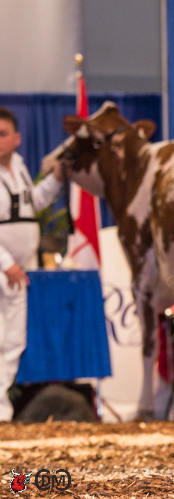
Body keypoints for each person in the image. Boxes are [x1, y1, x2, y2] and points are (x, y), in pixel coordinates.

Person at [0, 107, 67, 421]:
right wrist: (6, 263)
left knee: (14, 341)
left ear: (17, 138)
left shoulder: (20, 168)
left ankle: (2, 409)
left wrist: (55, 180)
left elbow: (34, 203)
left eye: (3, 134)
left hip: (19, 270)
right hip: (5, 267)